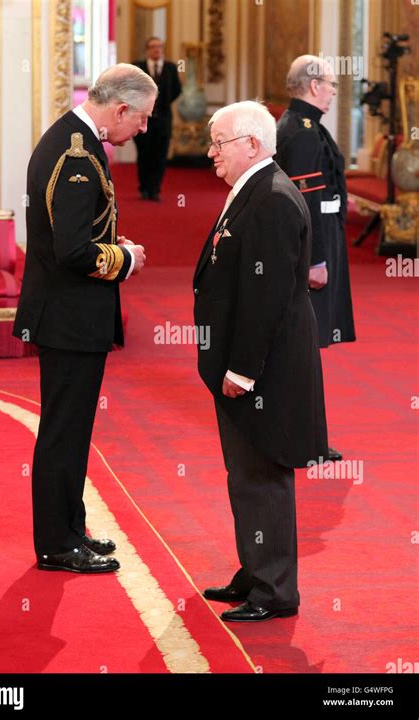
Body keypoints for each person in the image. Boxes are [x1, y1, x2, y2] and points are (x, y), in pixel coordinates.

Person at [13, 64, 157, 573]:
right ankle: (56, 544)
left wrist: (112, 245)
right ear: (120, 109)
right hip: (68, 316)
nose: (143, 129)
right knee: (63, 431)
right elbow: (74, 249)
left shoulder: (78, 139)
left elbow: (71, 233)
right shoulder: (75, 151)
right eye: (141, 119)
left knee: (72, 430)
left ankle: (71, 528)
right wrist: (125, 260)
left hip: (71, 313)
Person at [193, 101, 328, 622]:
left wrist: (242, 369)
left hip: (263, 372)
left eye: (219, 142)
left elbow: (267, 298)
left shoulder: (270, 198)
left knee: (262, 474)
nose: (210, 152)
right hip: (252, 366)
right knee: (244, 473)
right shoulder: (254, 189)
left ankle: (274, 592)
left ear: (252, 144)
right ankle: (254, 573)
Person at [276, 55, 356, 462]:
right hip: (315, 251)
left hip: (318, 247)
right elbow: (306, 205)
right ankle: (305, 442)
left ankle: (307, 439)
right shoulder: (303, 132)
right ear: (313, 85)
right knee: (302, 351)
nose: (334, 92)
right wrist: (316, 261)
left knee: (304, 351)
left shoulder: (302, 126)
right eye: (331, 84)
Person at [133, 36, 181, 201]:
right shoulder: (138, 68)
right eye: (153, 47)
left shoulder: (171, 68)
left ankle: (155, 189)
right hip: (142, 119)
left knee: (160, 155)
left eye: (159, 46)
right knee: (144, 154)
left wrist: (162, 105)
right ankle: (144, 187)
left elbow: (176, 90)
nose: (157, 50)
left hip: (163, 119)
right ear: (147, 50)